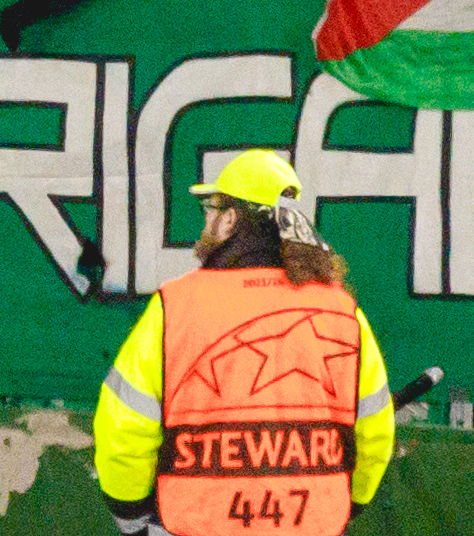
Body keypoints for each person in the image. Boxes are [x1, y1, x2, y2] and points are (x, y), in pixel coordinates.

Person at [93, 148, 388, 536]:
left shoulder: (175, 306)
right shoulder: (344, 314)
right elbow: (375, 435)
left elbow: (124, 430)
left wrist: (131, 516)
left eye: (210, 210)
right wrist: (345, 505)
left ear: (230, 218)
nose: (206, 223)